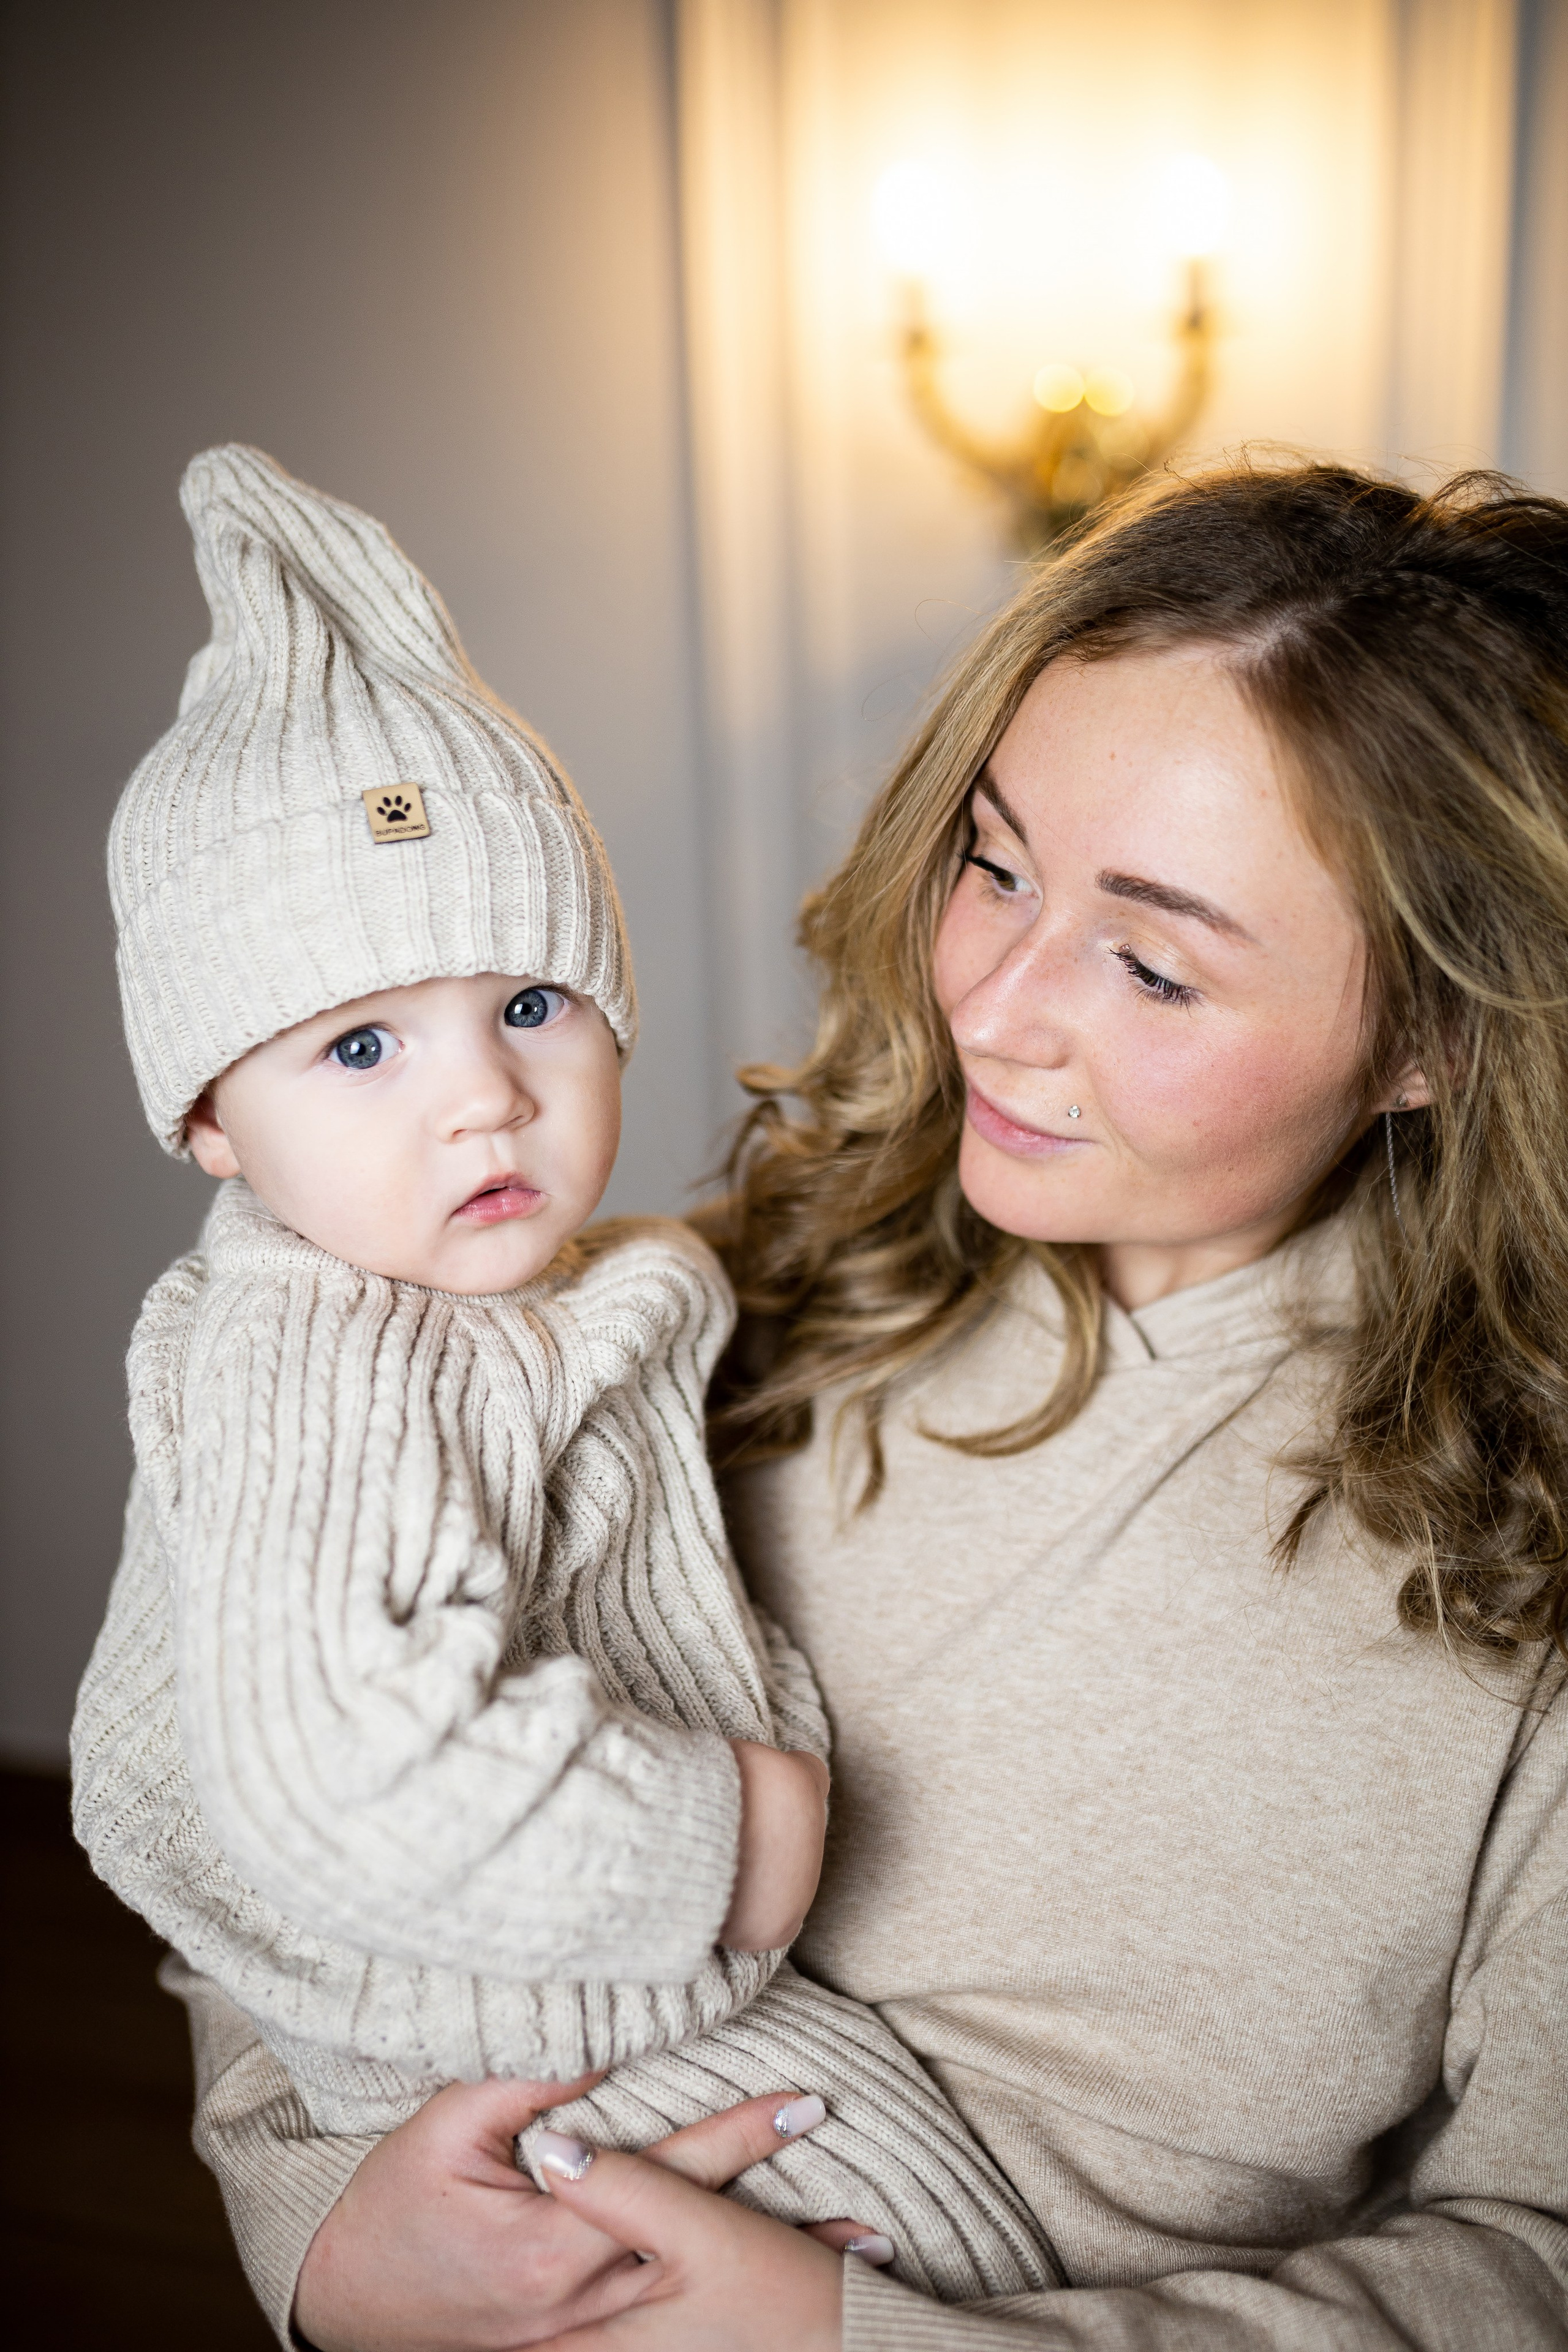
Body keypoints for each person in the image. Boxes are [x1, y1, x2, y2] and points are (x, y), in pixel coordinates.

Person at [101, 457, 1568, 2352]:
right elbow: (276, 1791)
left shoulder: (1529, 1572)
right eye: (994, 862)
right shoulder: (712, 1296)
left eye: (1150, 959)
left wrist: (841, 2337)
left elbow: (1535, 2260)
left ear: (1442, 1031)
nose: (995, 1003)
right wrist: (327, 2233)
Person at [70, 446, 1066, 2320]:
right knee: (931, 2257)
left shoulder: (520, 1298)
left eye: (529, 1006)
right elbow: (336, 1779)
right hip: (535, 2021)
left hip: (586, 1996)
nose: (481, 1097)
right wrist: (736, 1834)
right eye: (360, 1043)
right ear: (209, 1117)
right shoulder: (332, 1351)